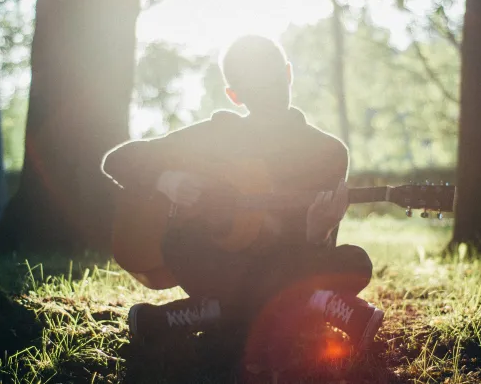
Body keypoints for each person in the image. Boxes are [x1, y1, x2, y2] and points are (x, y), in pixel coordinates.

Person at [101, 35, 384, 355]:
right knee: (182, 242)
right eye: (256, 89)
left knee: (353, 262)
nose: (269, 96)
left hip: (282, 266)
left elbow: (309, 260)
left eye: (274, 82)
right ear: (234, 96)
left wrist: (317, 233)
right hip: (222, 266)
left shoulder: (328, 153)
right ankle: (314, 305)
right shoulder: (218, 135)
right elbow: (117, 161)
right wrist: (167, 180)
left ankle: (202, 314)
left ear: (288, 75)